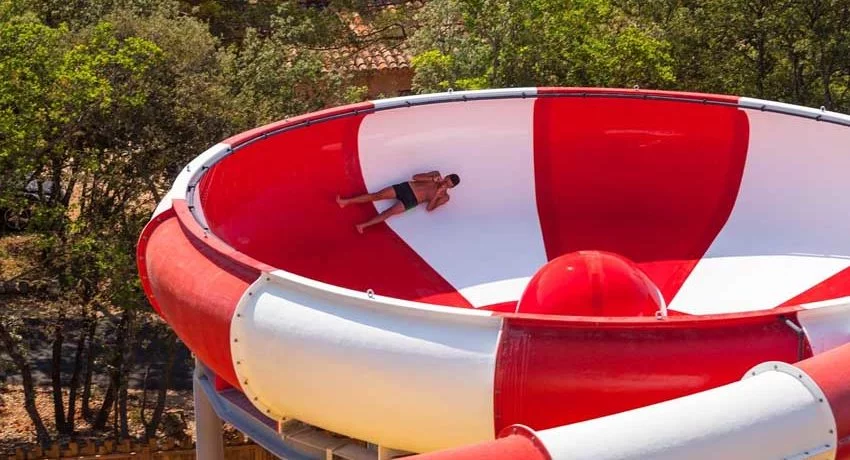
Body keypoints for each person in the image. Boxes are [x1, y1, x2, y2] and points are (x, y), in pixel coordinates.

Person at [337, 171, 460, 233]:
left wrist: (437, 194)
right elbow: (415, 177)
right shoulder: (436, 174)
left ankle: (362, 225)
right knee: (377, 195)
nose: (444, 183)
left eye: (447, 184)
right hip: (407, 187)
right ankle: (345, 202)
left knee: (388, 213)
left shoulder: (445, 197)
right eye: (446, 180)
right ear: (446, 176)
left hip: (413, 200)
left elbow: (429, 208)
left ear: (451, 187)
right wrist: (432, 179)